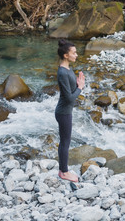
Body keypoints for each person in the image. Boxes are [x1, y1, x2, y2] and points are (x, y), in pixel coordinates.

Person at [55, 39, 85, 182]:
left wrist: (78, 84)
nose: (76, 55)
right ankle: (64, 172)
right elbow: (69, 98)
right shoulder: (62, 73)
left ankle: (63, 169)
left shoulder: (68, 69)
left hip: (66, 111)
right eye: (73, 53)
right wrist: (80, 88)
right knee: (65, 142)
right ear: (66, 55)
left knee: (65, 141)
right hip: (63, 112)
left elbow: (70, 92)